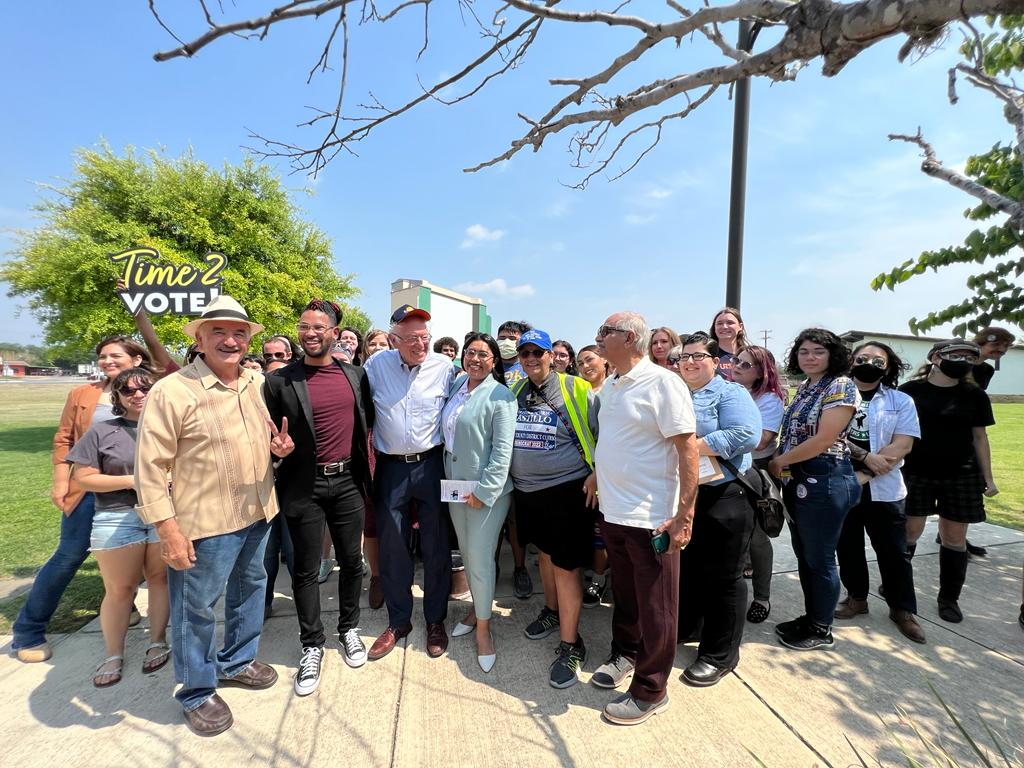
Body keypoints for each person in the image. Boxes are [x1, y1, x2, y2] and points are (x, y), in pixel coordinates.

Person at [135, 295, 292, 736]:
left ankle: (237, 660)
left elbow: (258, 437)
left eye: (239, 332)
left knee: (250, 588)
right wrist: (167, 528)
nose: (230, 340)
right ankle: (197, 691)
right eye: (218, 331)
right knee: (196, 608)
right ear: (200, 338)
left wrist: (277, 450)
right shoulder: (173, 390)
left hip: (258, 511)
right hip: (204, 523)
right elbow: (149, 467)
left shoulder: (254, 382)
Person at [12, 335, 153, 663]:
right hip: (92, 489)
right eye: (103, 356)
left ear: (135, 359)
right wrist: (62, 480)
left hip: (142, 492)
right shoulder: (83, 394)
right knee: (70, 555)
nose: (107, 361)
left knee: (134, 558)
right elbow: (64, 439)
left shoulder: (151, 389)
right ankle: (29, 629)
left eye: (115, 355)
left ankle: (124, 605)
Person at [589, 312, 698, 725]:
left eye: (605, 332)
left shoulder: (664, 383)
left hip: (651, 515)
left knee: (658, 607)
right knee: (627, 597)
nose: (597, 338)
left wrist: (682, 515)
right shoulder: (614, 383)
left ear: (630, 338)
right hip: (613, 511)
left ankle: (652, 690)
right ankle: (626, 655)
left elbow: (686, 449)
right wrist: (598, 473)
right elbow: (619, 440)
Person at [264, 299, 375, 695]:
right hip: (302, 486)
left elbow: (367, 426)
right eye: (303, 326)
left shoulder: (356, 376)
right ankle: (311, 644)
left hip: (347, 482)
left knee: (351, 563)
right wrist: (275, 450)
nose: (309, 333)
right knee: (306, 570)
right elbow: (269, 433)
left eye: (318, 327)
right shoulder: (278, 381)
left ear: (334, 332)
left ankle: (349, 629)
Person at [363, 304, 456, 661]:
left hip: (432, 465)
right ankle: (399, 621)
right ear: (393, 340)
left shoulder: (445, 368)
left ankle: (435, 620)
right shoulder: (376, 366)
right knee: (393, 546)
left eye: (425, 337)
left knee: (436, 545)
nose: (421, 344)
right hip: (391, 468)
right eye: (412, 338)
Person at [67, 367, 170, 687]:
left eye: (145, 388)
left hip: (163, 515)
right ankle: (114, 653)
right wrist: (133, 480)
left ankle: (157, 640)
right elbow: (82, 477)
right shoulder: (102, 431)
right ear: (118, 397)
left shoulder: (170, 428)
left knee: (160, 580)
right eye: (129, 391)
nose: (138, 395)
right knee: (120, 590)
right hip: (117, 516)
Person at [510, 329, 598, 689]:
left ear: (552, 355)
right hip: (529, 493)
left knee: (566, 566)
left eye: (538, 351)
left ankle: (571, 643)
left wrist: (598, 473)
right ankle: (551, 611)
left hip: (567, 491)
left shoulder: (577, 389)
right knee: (544, 556)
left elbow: (605, 435)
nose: (531, 358)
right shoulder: (516, 391)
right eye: (524, 352)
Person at [672, 333, 760, 686]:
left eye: (697, 356)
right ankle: (689, 627)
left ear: (714, 361)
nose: (690, 362)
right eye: (683, 358)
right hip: (687, 494)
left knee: (725, 577)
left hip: (725, 493)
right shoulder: (675, 394)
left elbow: (745, 434)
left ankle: (720, 654)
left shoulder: (730, 392)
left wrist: (691, 447)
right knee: (690, 568)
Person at [769, 328, 860, 651]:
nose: (809, 357)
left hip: (825, 477)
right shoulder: (806, 386)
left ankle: (821, 628)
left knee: (820, 558)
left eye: (818, 352)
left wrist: (779, 462)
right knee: (805, 556)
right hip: (800, 478)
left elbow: (823, 439)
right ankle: (812, 617)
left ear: (832, 355)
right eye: (804, 351)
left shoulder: (841, 386)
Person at [900, 339, 997, 623]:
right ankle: (899, 586)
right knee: (909, 533)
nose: (962, 360)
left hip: (961, 474)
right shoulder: (909, 392)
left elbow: (980, 437)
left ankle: (949, 598)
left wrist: (988, 478)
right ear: (934, 357)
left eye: (969, 356)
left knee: (955, 538)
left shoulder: (975, 395)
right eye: (954, 355)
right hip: (916, 471)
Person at [834, 342, 925, 643]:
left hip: (885, 488)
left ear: (888, 367)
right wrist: (860, 464)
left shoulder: (900, 400)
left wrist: (868, 471)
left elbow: (903, 445)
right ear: (851, 362)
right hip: (844, 484)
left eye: (878, 360)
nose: (869, 363)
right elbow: (828, 437)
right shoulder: (836, 396)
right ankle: (857, 599)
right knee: (847, 547)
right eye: (862, 358)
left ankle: (902, 609)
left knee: (894, 552)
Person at [442, 333, 515, 673]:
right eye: (470, 352)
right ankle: (476, 610)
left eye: (483, 355)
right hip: (455, 489)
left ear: (494, 360)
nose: (474, 359)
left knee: (481, 558)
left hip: (486, 493)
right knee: (468, 554)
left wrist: (484, 491)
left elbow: (502, 453)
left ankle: (484, 629)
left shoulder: (501, 396)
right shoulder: (459, 386)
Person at [729, 345, 786, 623]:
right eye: (736, 361)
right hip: (728, 470)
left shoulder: (770, 400)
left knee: (758, 540)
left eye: (746, 364)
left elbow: (762, 440)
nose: (737, 366)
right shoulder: (728, 391)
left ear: (762, 372)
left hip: (757, 473)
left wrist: (722, 441)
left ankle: (762, 597)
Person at [495, 320, 534, 599]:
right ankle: (490, 566)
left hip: (520, 456)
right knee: (490, 517)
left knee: (515, 521)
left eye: (512, 337)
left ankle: (520, 568)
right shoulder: (488, 364)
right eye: (503, 337)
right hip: (491, 454)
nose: (507, 341)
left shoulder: (528, 370)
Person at [576, 344, 611, 606]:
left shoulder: (614, 389)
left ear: (604, 361)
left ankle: (599, 580)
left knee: (604, 531)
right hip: (581, 472)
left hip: (608, 472)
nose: (585, 366)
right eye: (580, 363)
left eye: (590, 360)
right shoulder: (577, 392)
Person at [361, 328, 390, 609]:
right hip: (367, 448)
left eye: (385, 343)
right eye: (373, 343)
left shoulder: (397, 373)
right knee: (371, 519)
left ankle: (396, 572)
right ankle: (377, 576)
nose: (379, 347)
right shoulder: (357, 376)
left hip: (392, 452)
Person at [709, 307, 750, 380]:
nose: (724, 327)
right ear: (714, 328)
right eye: (719, 323)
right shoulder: (708, 355)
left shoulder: (750, 355)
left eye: (730, 323)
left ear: (740, 327)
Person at [971, 326, 1014, 391]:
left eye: (1006, 346)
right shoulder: (957, 364)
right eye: (996, 344)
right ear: (979, 344)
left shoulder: (988, 370)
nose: (1002, 349)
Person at [497, 320, 531, 387]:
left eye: (512, 338)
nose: (506, 342)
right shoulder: (489, 367)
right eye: (502, 338)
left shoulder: (529, 367)